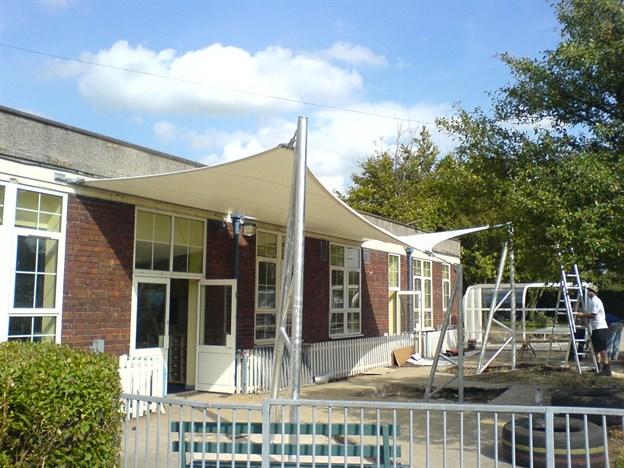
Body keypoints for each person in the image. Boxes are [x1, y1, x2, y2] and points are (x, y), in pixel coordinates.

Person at [578, 284, 611, 376]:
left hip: (600, 327)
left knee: (602, 348)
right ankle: (597, 367)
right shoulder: (592, 301)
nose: (588, 292)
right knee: (596, 349)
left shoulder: (596, 301)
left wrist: (582, 316)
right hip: (596, 327)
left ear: (594, 292)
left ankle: (607, 368)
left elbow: (593, 315)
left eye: (589, 290)